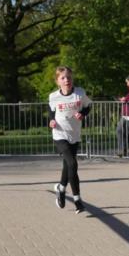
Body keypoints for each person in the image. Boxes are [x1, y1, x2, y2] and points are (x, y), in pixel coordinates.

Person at [48, 66, 92, 214]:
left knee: (68, 166)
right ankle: (78, 200)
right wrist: (51, 121)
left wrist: (83, 114)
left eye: (69, 77)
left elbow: (88, 106)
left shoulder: (80, 93)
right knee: (72, 163)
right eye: (63, 78)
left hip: (75, 135)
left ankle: (61, 188)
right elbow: (51, 111)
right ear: (57, 81)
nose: (67, 80)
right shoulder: (54, 96)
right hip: (60, 134)